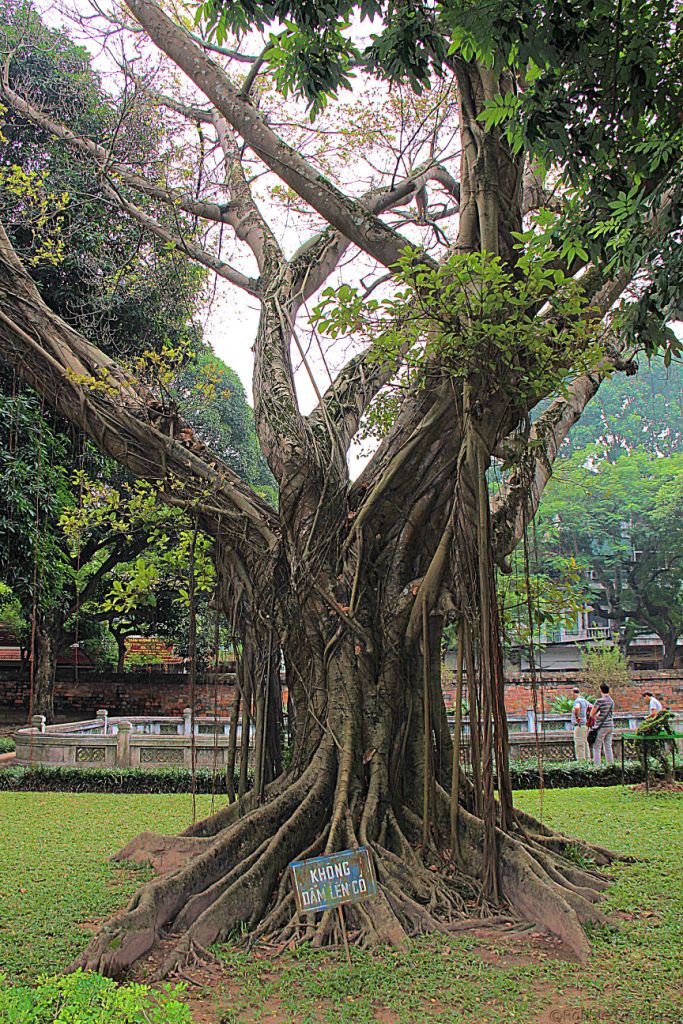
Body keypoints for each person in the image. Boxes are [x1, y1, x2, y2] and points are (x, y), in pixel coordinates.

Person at [590, 682, 614, 766]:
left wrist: (596, 718)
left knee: (597, 746)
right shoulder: (611, 701)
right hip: (610, 725)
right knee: (608, 746)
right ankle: (610, 765)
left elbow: (591, 714)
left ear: (600, 690)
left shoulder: (599, 701)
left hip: (601, 726)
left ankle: (597, 766)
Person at [571, 687, 593, 760]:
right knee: (585, 743)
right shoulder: (584, 700)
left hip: (579, 725)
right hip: (585, 724)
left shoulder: (577, 701)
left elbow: (577, 708)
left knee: (579, 744)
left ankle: (581, 761)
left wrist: (577, 717)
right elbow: (592, 707)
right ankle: (588, 760)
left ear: (573, 693)